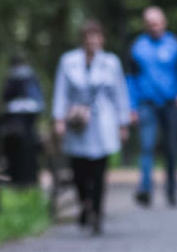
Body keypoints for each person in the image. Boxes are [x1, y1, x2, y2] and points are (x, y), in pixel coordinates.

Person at [52, 20, 131, 236]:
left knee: (98, 171)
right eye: (88, 37)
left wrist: (123, 122)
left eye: (96, 37)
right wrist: (59, 119)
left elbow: (120, 93)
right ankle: (84, 204)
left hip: (102, 120)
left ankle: (96, 211)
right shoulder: (68, 61)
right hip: (77, 120)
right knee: (79, 170)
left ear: (102, 39)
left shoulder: (111, 62)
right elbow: (61, 91)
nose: (92, 41)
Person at [126, 7, 177, 207]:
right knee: (147, 146)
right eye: (149, 23)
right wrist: (131, 106)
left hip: (171, 103)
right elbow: (130, 79)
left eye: (156, 22)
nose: (153, 26)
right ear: (144, 25)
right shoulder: (137, 47)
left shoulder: (176, 44)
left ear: (164, 23)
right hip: (146, 103)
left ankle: (172, 190)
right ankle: (145, 188)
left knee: (171, 148)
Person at [0, 53, 45, 188]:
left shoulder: (13, 77)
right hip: (26, 127)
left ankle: (18, 181)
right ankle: (27, 181)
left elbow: (4, 99)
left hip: (17, 126)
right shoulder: (31, 76)